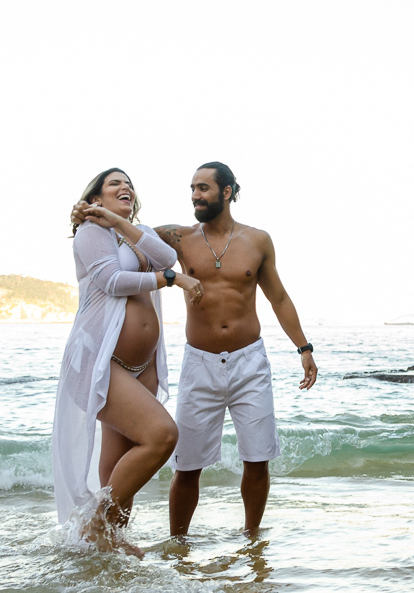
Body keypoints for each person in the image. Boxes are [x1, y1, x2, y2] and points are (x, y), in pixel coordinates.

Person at [71, 161, 318, 539]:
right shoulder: (178, 236)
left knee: (257, 458)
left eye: (203, 188)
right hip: (198, 361)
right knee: (186, 463)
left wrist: (303, 347)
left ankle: (252, 538)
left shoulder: (258, 240)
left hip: (249, 359)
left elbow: (279, 297)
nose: (195, 196)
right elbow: (135, 239)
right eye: (192, 189)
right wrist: (92, 213)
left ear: (228, 192)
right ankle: (178, 543)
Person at [53, 168, 203, 556]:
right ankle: (95, 526)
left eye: (129, 184)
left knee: (117, 463)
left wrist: (123, 222)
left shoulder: (139, 231)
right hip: (102, 360)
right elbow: (112, 281)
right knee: (162, 436)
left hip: (142, 365)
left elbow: (167, 255)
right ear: (95, 198)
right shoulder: (90, 234)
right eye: (113, 184)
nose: (125, 187)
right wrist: (171, 280)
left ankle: (109, 548)